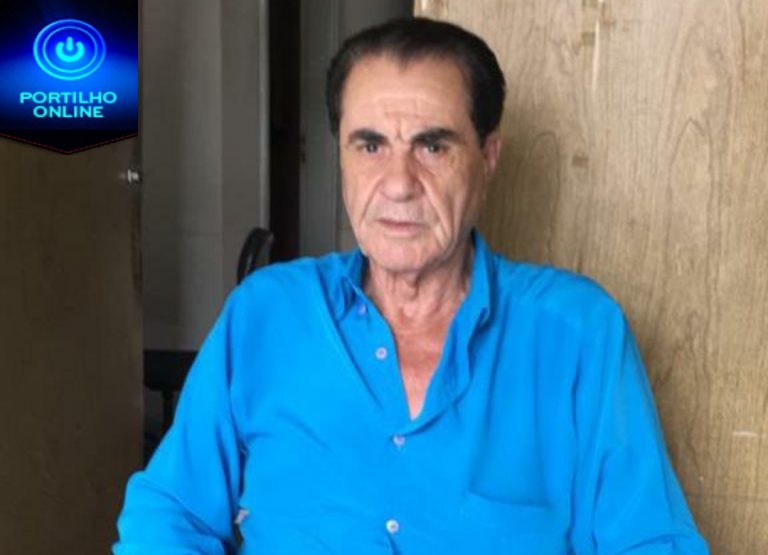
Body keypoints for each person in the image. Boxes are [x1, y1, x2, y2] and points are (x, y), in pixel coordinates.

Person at [114, 17, 709, 554]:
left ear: (488, 156)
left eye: (432, 145)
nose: (398, 183)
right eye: (370, 145)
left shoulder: (576, 334)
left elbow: (651, 541)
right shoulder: (266, 314)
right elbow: (170, 512)